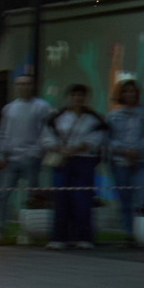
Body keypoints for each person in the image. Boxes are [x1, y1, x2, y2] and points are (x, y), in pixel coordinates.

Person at [0, 72, 52, 243]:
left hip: (31, 157)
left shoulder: (42, 106)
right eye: (20, 84)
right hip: (10, 158)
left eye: (27, 84)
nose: (23, 87)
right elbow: (3, 132)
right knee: (2, 195)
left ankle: (27, 232)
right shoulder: (9, 108)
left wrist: (37, 152)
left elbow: (46, 132)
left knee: (30, 197)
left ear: (33, 86)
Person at [44, 85, 108, 249]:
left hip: (85, 161)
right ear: (69, 97)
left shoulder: (94, 119)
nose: (77, 98)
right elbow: (47, 137)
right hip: (62, 161)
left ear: (86, 98)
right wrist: (60, 149)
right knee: (61, 198)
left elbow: (97, 140)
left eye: (81, 95)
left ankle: (84, 237)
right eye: (74, 95)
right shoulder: (58, 117)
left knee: (83, 199)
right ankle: (59, 238)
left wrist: (78, 148)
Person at [105, 80, 144, 235]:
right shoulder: (113, 115)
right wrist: (123, 150)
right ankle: (128, 233)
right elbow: (108, 138)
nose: (130, 94)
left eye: (132, 91)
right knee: (125, 200)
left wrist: (136, 150)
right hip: (120, 161)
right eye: (126, 91)